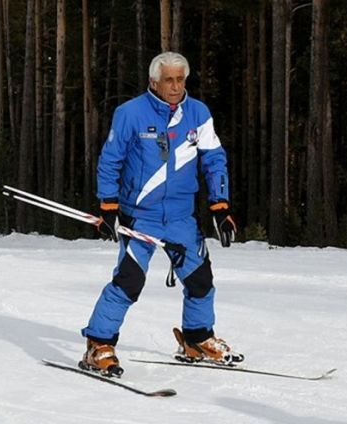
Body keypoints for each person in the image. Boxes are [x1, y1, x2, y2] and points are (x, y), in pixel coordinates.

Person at [80, 52, 241, 377]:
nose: (176, 86)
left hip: (181, 218)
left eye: (181, 79)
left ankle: (197, 338)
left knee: (200, 281)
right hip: (140, 217)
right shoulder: (130, 114)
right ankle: (98, 345)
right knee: (129, 281)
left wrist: (220, 206)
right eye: (169, 79)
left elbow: (214, 160)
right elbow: (110, 160)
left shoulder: (198, 114)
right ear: (154, 81)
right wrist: (108, 207)